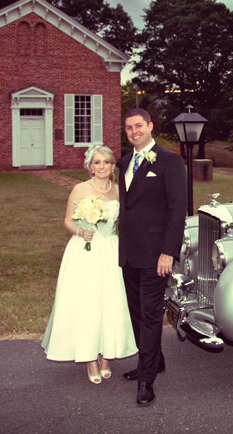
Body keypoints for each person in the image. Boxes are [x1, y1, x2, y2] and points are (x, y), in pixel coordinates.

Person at [41, 145, 137, 384]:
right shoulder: (80, 189)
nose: (102, 166)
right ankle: (90, 359)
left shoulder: (119, 191)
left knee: (109, 302)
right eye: (97, 162)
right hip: (85, 250)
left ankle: (106, 356)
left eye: (106, 162)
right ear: (90, 166)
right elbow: (67, 220)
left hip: (110, 250)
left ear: (113, 166)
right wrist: (80, 230)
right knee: (89, 302)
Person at [118, 108, 187, 406]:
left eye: (138, 126)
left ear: (150, 126)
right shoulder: (123, 163)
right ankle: (154, 360)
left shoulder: (170, 161)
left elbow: (177, 210)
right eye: (129, 128)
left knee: (149, 316)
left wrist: (168, 252)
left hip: (156, 255)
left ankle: (147, 380)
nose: (134, 132)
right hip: (129, 254)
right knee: (136, 313)